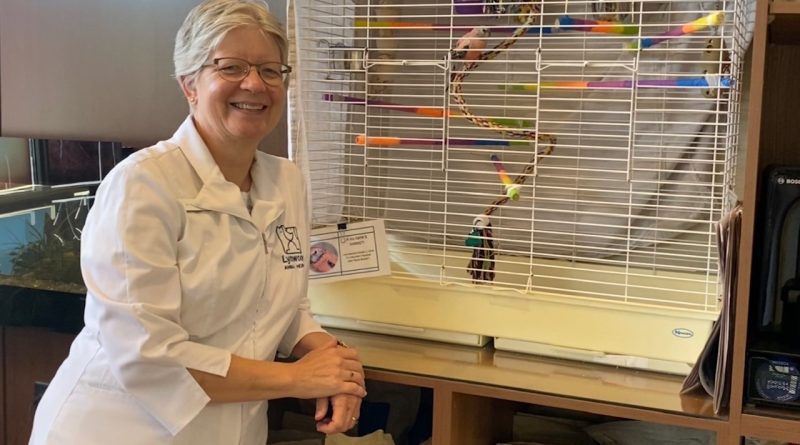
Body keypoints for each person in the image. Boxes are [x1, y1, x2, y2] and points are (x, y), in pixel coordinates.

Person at [29, 1, 366, 443]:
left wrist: (334, 362)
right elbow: (149, 358)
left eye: (270, 70)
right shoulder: (143, 186)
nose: (254, 83)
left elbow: (280, 306)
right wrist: (299, 379)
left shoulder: (287, 182)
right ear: (189, 84)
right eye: (230, 66)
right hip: (119, 429)